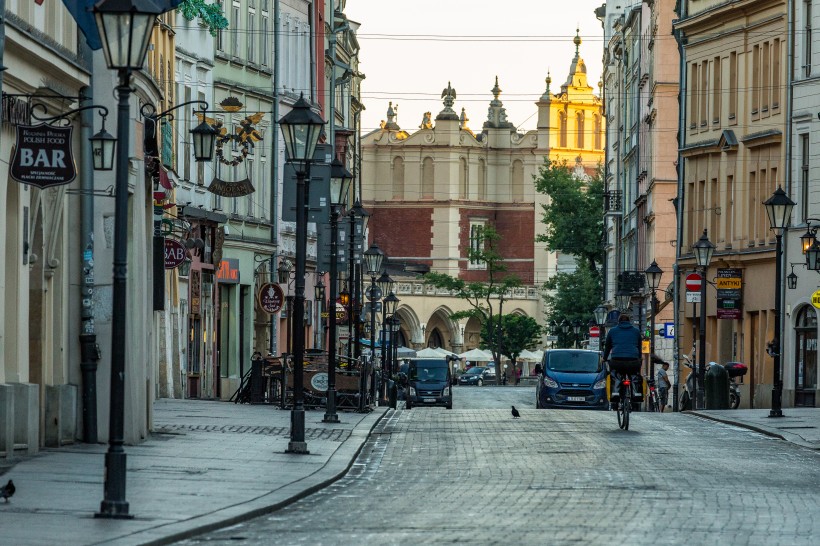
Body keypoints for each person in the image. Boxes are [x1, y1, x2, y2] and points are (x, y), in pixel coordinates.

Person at [602, 314, 642, 410]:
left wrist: (604, 358)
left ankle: (615, 391)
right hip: (633, 361)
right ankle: (636, 392)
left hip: (617, 360)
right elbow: (639, 347)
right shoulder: (636, 331)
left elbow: (608, 347)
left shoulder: (612, 331)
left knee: (615, 374)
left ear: (618, 321)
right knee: (634, 375)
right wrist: (639, 358)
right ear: (629, 321)